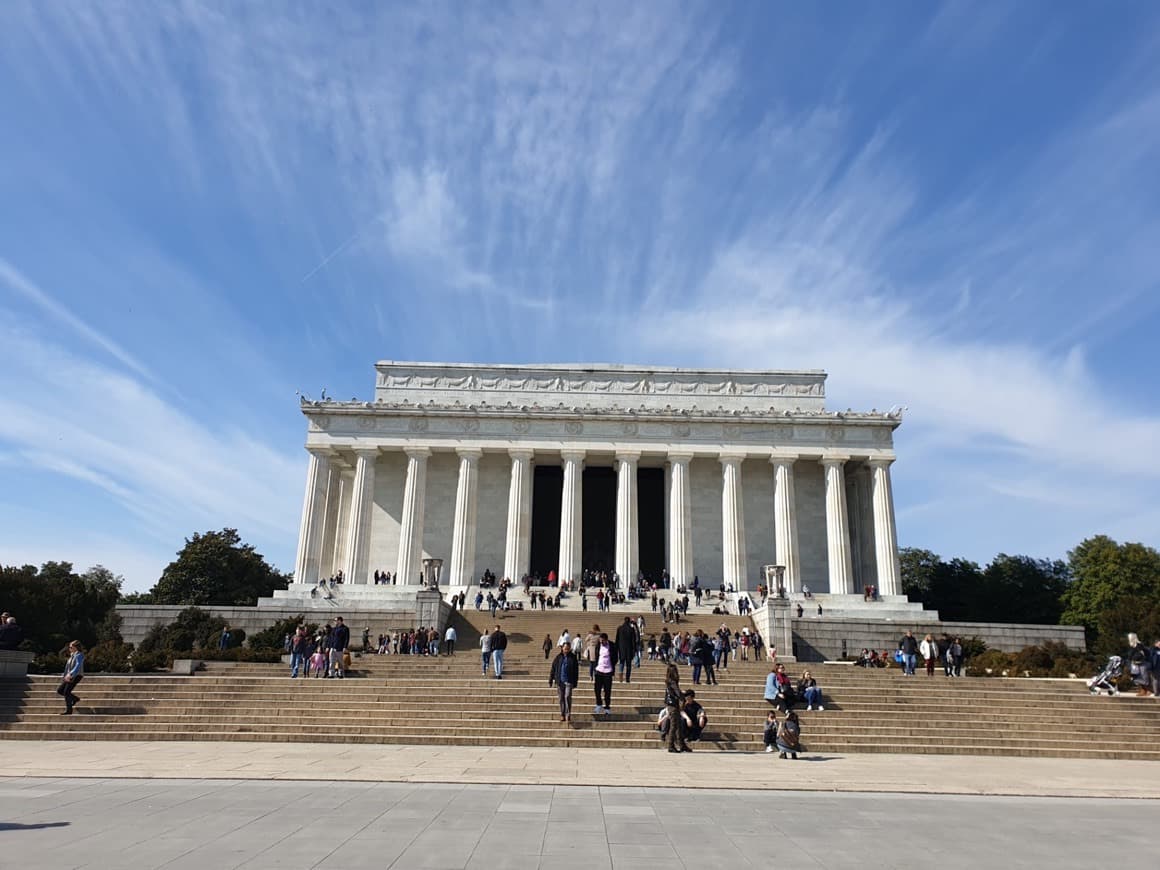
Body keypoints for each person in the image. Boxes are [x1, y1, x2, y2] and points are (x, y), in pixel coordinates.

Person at [549, 640, 580, 723]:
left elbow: (576, 670)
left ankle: (568, 714)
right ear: (562, 648)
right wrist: (551, 679)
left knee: (567, 696)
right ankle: (562, 714)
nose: (566, 650)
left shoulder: (573, 657)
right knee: (561, 698)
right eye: (565, 648)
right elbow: (553, 669)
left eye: (568, 649)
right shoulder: (558, 657)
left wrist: (575, 681)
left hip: (569, 681)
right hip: (560, 681)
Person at [662, 663, 688, 753]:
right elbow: (677, 692)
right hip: (673, 705)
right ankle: (671, 745)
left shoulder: (668, 681)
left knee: (678, 725)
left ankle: (681, 744)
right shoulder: (672, 682)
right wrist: (683, 698)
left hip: (670, 704)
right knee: (674, 726)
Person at [593, 632, 617, 715]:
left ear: (606, 639)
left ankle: (607, 707)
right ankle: (599, 704)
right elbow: (596, 656)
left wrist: (611, 665)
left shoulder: (612, 645)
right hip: (599, 670)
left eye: (603, 640)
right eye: (600, 640)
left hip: (608, 671)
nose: (601, 642)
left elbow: (615, 657)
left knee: (607, 691)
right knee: (597, 689)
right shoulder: (598, 645)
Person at [59, 640, 84, 715]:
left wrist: (71, 674)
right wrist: (65, 676)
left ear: (76, 647)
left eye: (71, 647)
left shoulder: (79, 655)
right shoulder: (72, 655)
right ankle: (75, 699)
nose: (69, 648)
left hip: (76, 675)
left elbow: (78, 665)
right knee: (60, 690)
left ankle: (69, 710)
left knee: (66, 692)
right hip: (69, 676)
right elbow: (67, 668)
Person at [615, 616, 637, 683]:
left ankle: (620, 678)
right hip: (629, 650)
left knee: (621, 663)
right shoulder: (631, 629)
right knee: (628, 665)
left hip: (621, 649)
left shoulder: (620, 628)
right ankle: (627, 678)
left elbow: (617, 639)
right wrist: (634, 650)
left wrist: (616, 649)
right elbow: (633, 641)